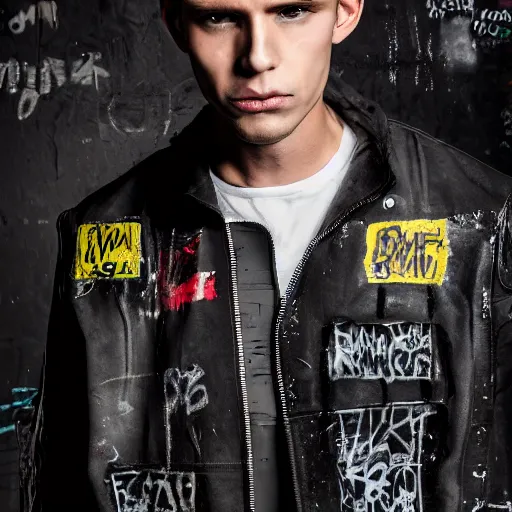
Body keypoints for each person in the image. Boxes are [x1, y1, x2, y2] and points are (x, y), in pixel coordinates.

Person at [19, 0, 512, 510]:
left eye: (292, 11)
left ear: (344, 11)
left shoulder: (482, 219)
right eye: (219, 17)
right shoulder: (98, 239)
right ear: (176, 24)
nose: (257, 57)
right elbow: (61, 486)